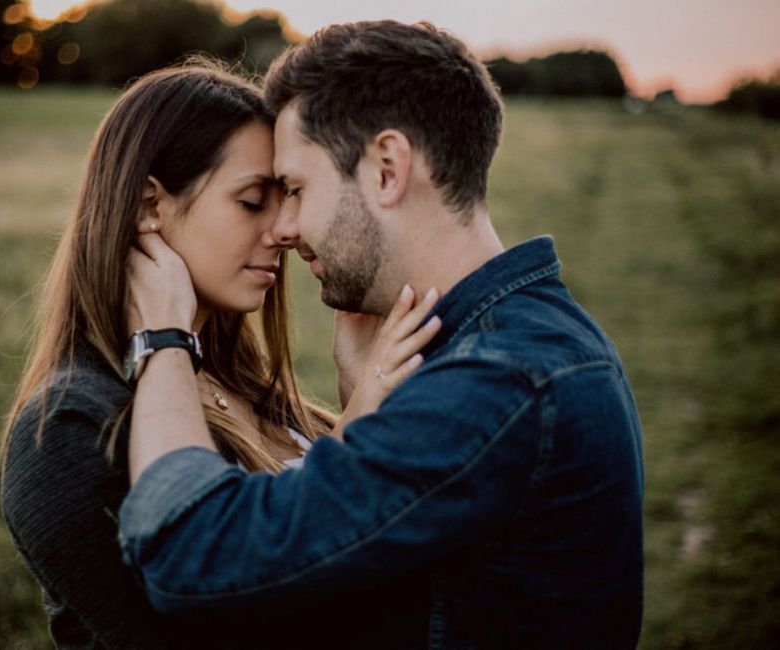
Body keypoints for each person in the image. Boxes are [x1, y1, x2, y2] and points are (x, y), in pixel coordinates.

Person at [118, 21, 645, 649]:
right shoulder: (519, 343)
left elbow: (194, 556)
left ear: (387, 168)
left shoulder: (499, 383)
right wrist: (363, 420)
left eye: (294, 188)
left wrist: (162, 341)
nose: (284, 227)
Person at [0, 61, 436, 648]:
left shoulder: (237, 378)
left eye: (287, 199)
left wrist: (353, 409)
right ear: (149, 206)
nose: (287, 228)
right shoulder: (66, 428)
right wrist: (356, 438)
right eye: (253, 201)